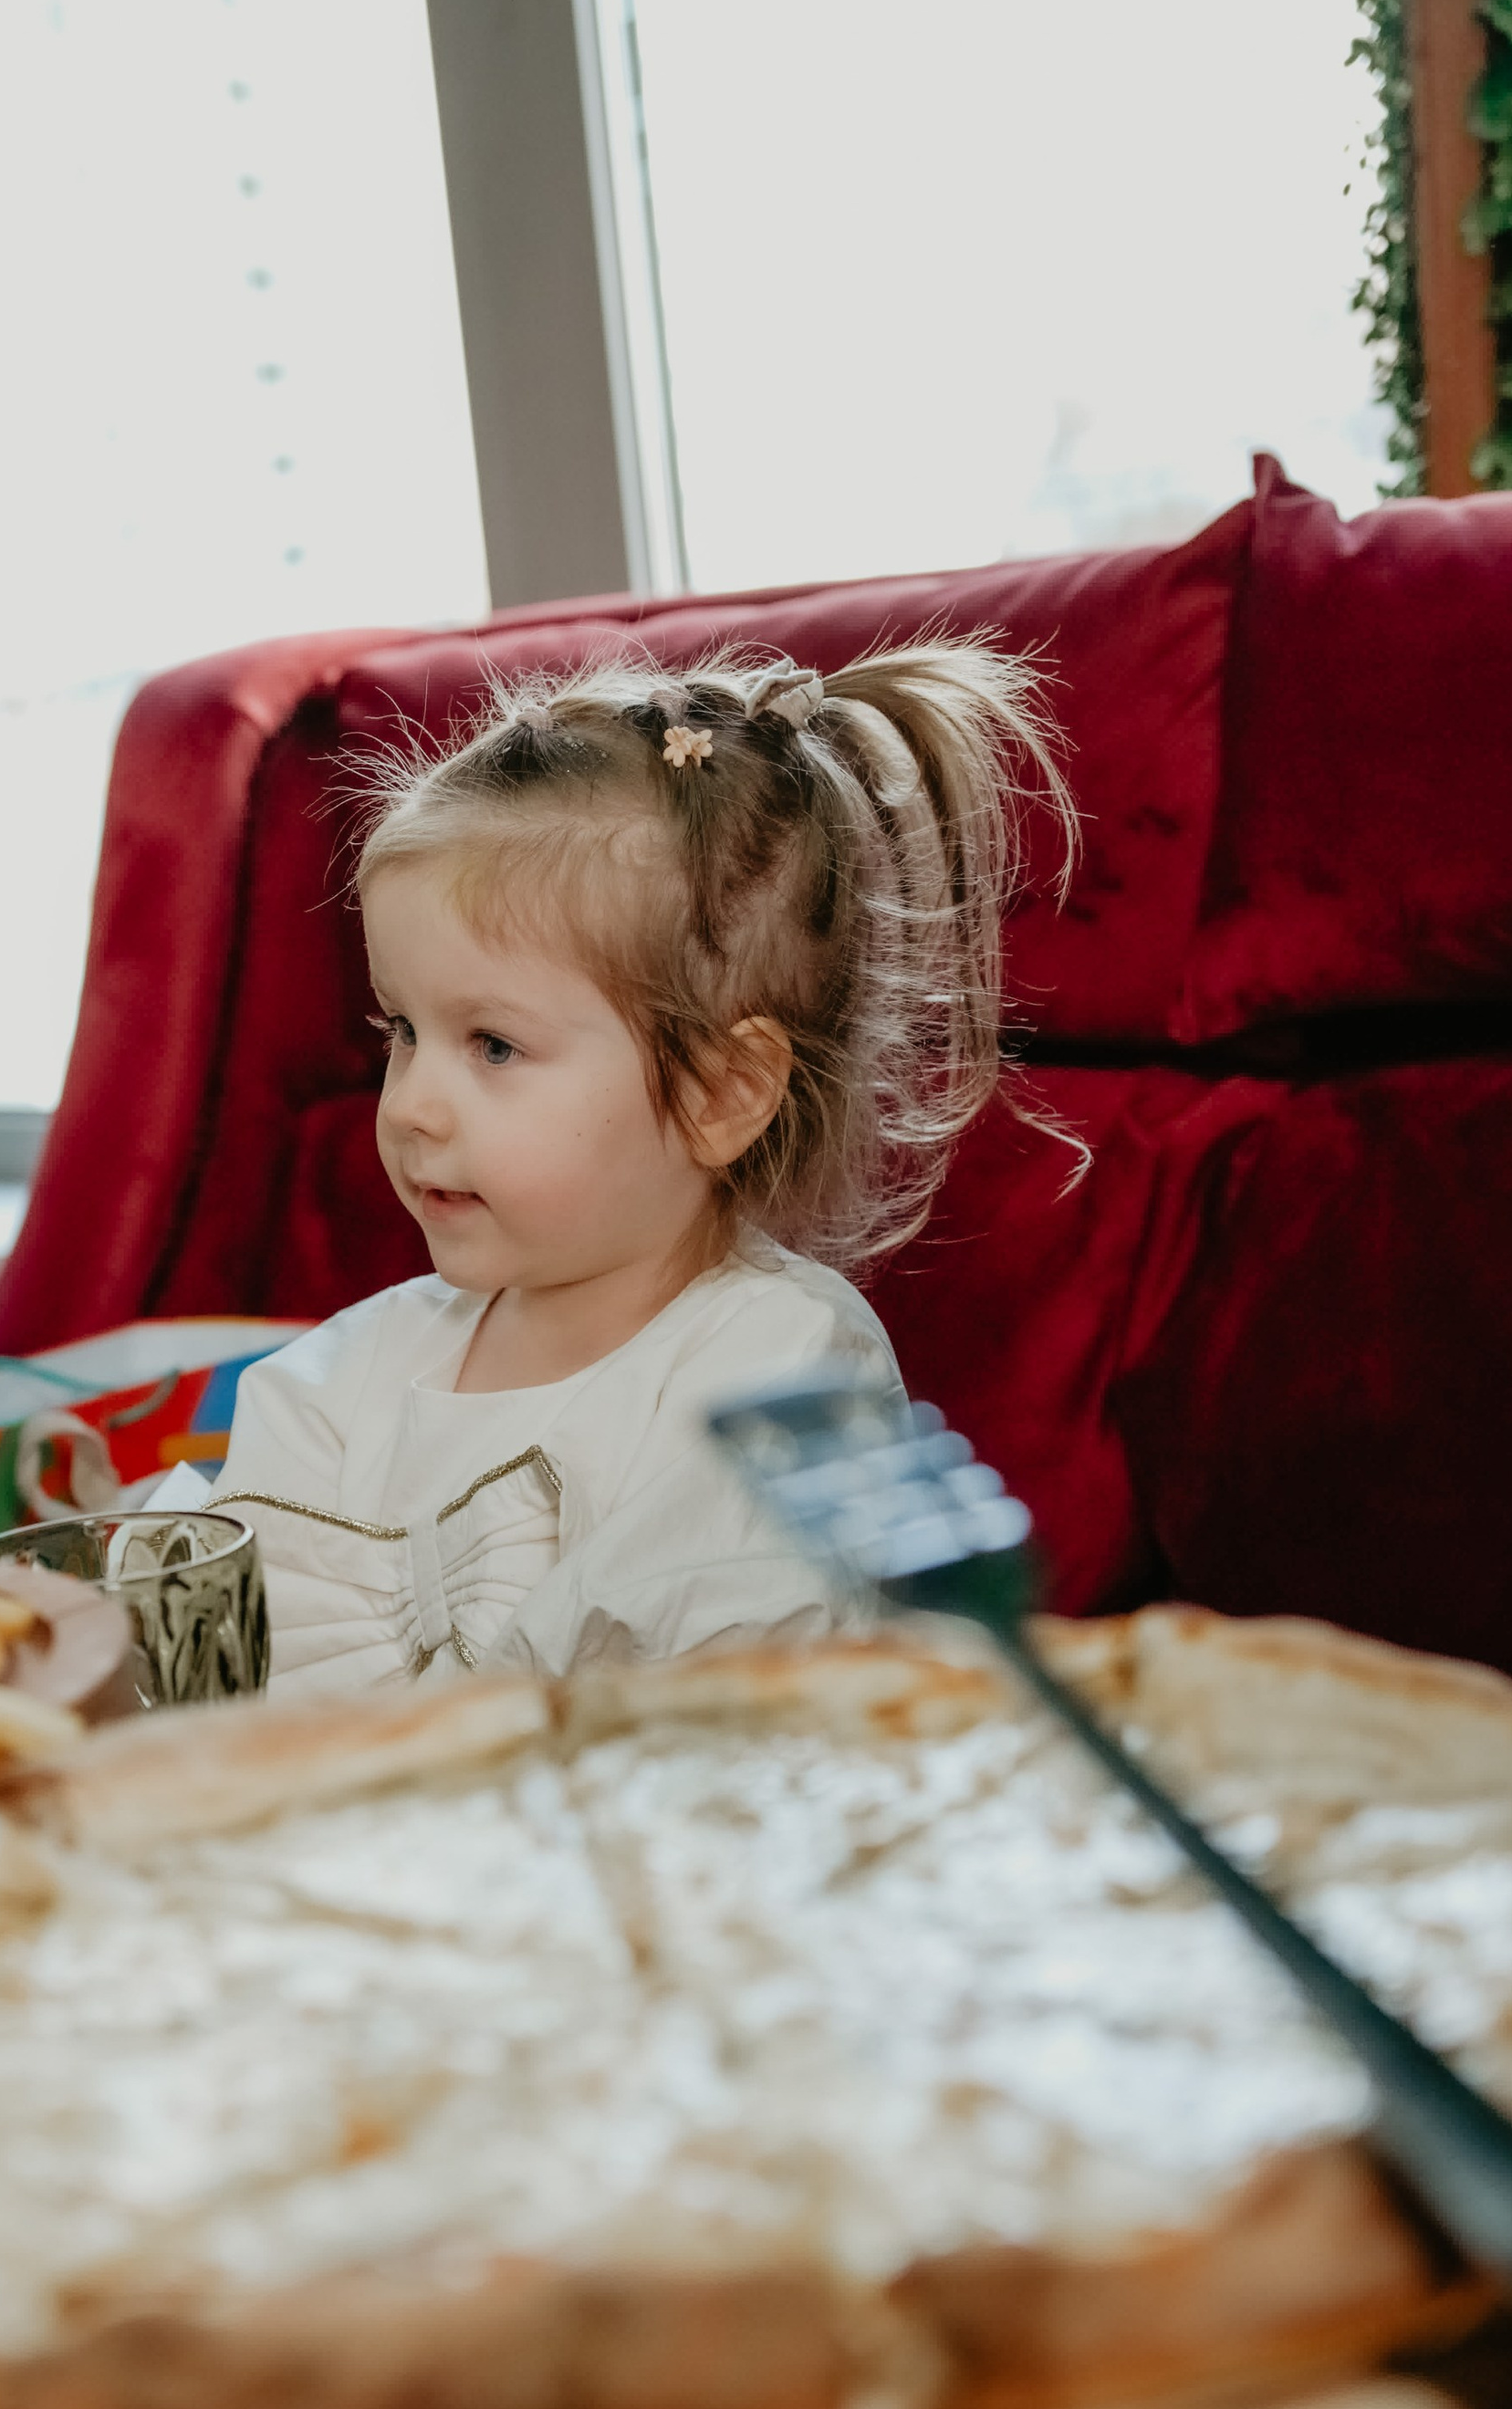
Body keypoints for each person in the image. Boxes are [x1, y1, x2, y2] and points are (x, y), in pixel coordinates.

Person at [204, 647, 1071, 1693]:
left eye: (492, 1045)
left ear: (721, 1092)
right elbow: (226, 1673)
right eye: (402, 1029)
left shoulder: (781, 1366)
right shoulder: (345, 1378)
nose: (412, 1105)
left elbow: (694, 1733)